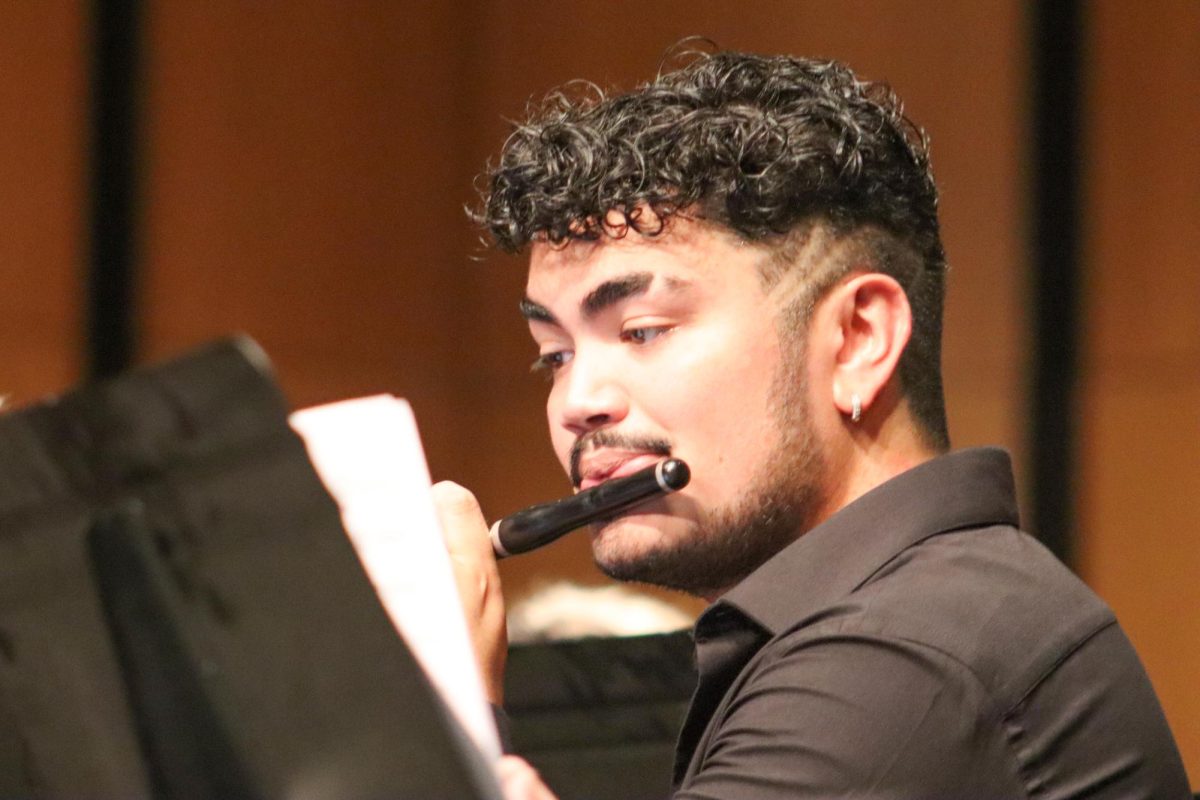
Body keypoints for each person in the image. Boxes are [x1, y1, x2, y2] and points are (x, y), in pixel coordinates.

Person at [432, 47, 1192, 798]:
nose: (575, 403)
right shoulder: (914, 618)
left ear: (859, 340)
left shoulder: (902, 657)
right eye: (553, 355)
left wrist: (443, 698)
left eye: (643, 330)